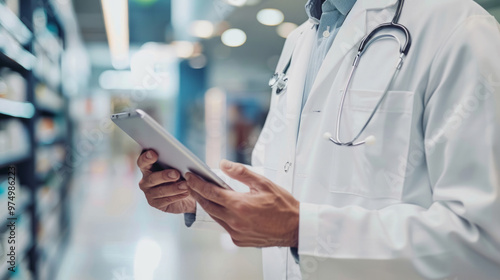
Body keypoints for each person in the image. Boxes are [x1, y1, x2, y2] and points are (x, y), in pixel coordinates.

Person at [136, 0, 500, 279]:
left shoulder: (459, 29)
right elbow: (284, 180)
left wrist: (302, 230)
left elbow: (482, 239)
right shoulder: (302, 39)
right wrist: (201, 194)